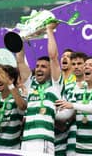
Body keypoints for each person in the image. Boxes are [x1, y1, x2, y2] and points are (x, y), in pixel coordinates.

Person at [16, 23, 63, 155]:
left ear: (50, 70)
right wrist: (22, 36)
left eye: (43, 66)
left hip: (43, 140)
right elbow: (20, 61)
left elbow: (53, 57)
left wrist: (49, 30)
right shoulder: (30, 84)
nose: (39, 69)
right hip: (26, 140)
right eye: (37, 66)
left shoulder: (56, 86)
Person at [56, 57, 92, 156]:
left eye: (91, 65)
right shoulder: (78, 91)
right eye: (85, 65)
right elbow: (66, 115)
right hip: (79, 149)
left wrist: (73, 105)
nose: (86, 67)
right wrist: (49, 112)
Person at [0, 64, 27, 149]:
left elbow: (22, 106)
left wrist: (9, 84)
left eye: (1, 77)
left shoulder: (20, 97)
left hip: (12, 150)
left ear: (11, 79)